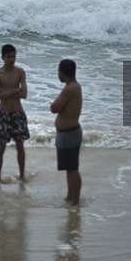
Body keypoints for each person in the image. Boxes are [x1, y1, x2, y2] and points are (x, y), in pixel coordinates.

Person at [0, 44, 30, 183]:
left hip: (18, 112)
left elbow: (24, 93)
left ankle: (21, 175)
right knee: (1, 146)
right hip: (3, 113)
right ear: (2, 57)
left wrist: (5, 93)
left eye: (13, 56)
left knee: (20, 145)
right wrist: (14, 91)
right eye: (9, 57)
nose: (12, 59)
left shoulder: (20, 72)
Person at [50, 58, 82, 206]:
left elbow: (55, 108)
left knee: (73, 168)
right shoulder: (75, 86)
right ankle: (70, 196)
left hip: (69, 133)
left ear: (62, 73)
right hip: (71, 132)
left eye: (59, 72)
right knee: (71, 168)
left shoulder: (69, 88)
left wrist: (52, 105)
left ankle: (75, 200)